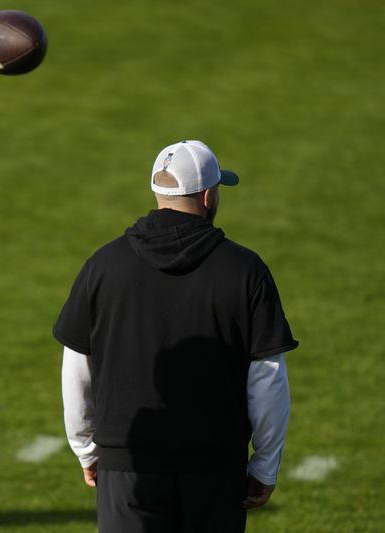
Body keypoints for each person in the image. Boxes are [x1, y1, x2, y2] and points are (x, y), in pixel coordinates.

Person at [53, 140, 297, 532]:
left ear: (158, 191)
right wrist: (265, 466)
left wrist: (86, 449)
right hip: (214, 470)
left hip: (128, 466)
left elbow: (76, 368)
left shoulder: (103, 265)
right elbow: (267, 379)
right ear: (206, 196)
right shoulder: (246, 270)